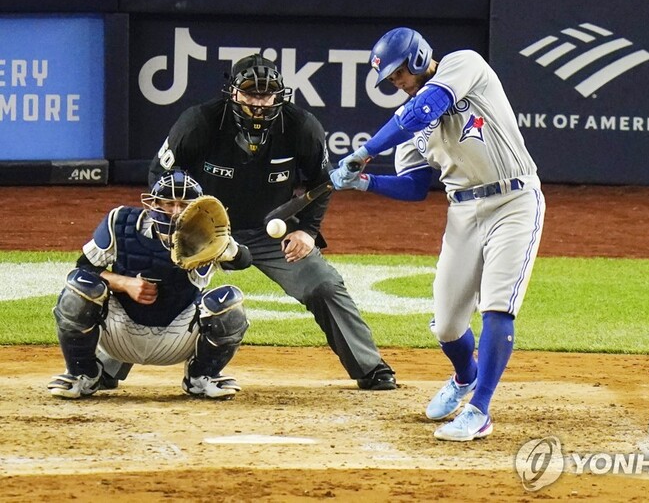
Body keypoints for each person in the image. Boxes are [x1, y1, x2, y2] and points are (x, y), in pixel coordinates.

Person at [329, 27, 546, 440]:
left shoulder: (463, 64)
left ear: (417, 57)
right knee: (447, 325)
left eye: (399, 73)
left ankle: (480, 410)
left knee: (497, 307)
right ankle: (465, 377)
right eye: (390, 78)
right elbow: (414, 187)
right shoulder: (408, 127)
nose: (397, 82)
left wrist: (366, 150)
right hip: (463, 212)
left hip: (514, 200)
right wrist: (365, 183)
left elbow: (426, 109)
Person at [148, 54, 396, 390]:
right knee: (151, 275)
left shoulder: (301, 126)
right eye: (250, 93)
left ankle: (370, 367)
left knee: (323, 284)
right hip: (202, 228)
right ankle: (104, 366)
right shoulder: (199, 121)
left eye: (266, 95)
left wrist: (307, 231)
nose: (258, 103)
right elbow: (160, 174)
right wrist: (177, 221)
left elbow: (322, 182)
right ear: (232, 92)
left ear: (279, 95)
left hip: (270, 229)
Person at [48, 170, 252, 399]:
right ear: (154, 204)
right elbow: (84, 267)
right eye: (169, 203)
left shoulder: (209, 235)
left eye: (184, 205)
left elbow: (244, 260)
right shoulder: (120, 222)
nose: (176, 211)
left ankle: (201, 377)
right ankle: (83, 374)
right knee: (79, 287)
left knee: (229, 302)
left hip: (178, 335)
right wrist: (125, 284)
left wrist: (230, 250)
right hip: (120, 331)